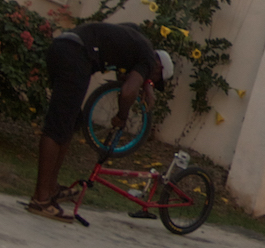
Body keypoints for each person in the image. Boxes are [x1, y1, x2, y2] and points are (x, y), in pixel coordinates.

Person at [28, 21, 173, 223]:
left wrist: (144, 82)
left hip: (65, 46)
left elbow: (119, 56)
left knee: (70, 122)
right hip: (76, 55)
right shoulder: (148, 58)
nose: (151, 83)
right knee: (58, 126)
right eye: (155, 80)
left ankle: (51, 188)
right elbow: (128, 91)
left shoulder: (137, 39)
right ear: (158, 66)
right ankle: (41, 200)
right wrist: (122, 117)